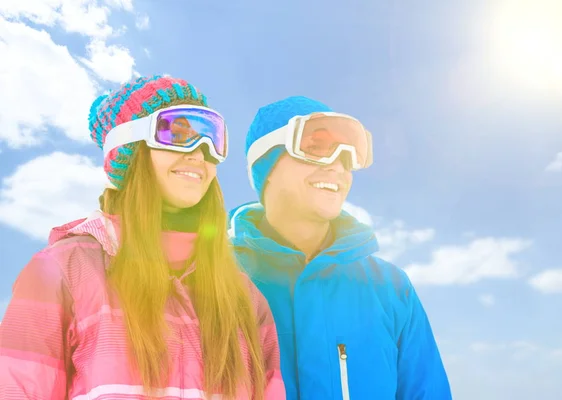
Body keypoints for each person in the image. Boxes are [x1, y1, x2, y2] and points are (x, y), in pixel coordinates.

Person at [0, 75, 284, 400]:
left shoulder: (243, 297)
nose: (199, 152)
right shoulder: (64, 271)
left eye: (211, 139)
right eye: (177, 134)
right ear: (131, 150)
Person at [228, 96, 452, 399]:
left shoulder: (390, 288)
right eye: (316, 147)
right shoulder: (216, 279)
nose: (336, 166)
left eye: (347, 156)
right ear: (266, 163)